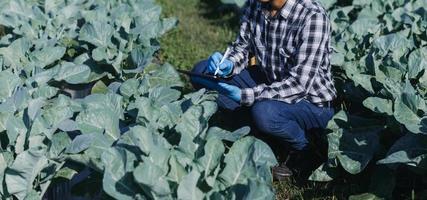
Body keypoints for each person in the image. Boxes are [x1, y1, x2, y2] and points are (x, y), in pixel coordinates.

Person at [191, 0, 336, 180]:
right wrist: (227, 65)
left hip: (311, 104)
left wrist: (245, 95)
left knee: (265, 112)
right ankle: (261, 137)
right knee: (201, 73)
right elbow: (242, 49)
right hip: (270, 83)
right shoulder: (256, 4)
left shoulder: (313, 17)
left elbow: (299, 85)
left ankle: (304, 150)